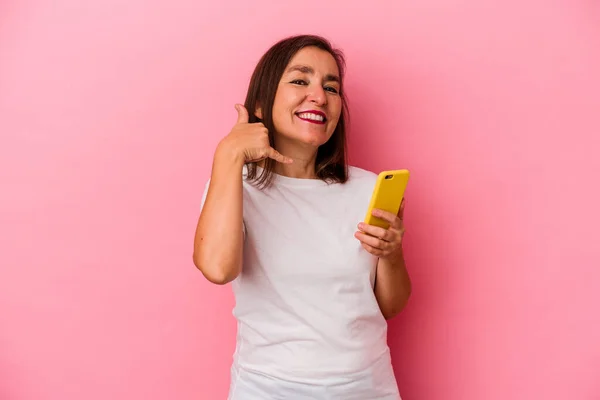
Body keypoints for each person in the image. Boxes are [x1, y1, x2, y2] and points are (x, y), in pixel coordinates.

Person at [193, 34, 412, 400]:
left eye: (331, 87)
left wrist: (391, 254)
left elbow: (389, 306)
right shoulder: (235, 187)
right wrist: (228, 154)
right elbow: (217, 268)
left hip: (367, 386)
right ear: (261, 104)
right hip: (268, 388)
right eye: (300, 80)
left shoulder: (368, 189)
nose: (319, 96)